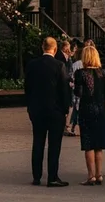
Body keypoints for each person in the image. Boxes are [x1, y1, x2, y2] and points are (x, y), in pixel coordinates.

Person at [24, 36, 70, 187]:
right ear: (55, 49)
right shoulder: (59, 65)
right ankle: (52, 176)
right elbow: (64, 89)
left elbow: (28, 88)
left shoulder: (32, 65)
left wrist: (30, 107)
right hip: (55, 110)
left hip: (37, 110)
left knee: (38, 142)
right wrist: (65, 109)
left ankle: (36, 176)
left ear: (42, 47)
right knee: (54, 144)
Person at [72, 44, 105, 186]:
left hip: (87, 108)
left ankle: (91, 175)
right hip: (101, 108)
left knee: (88, 144)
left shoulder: (80, 73)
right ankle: (99, 174)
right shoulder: (102, 72)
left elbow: (78, 93)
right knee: (99, 144)